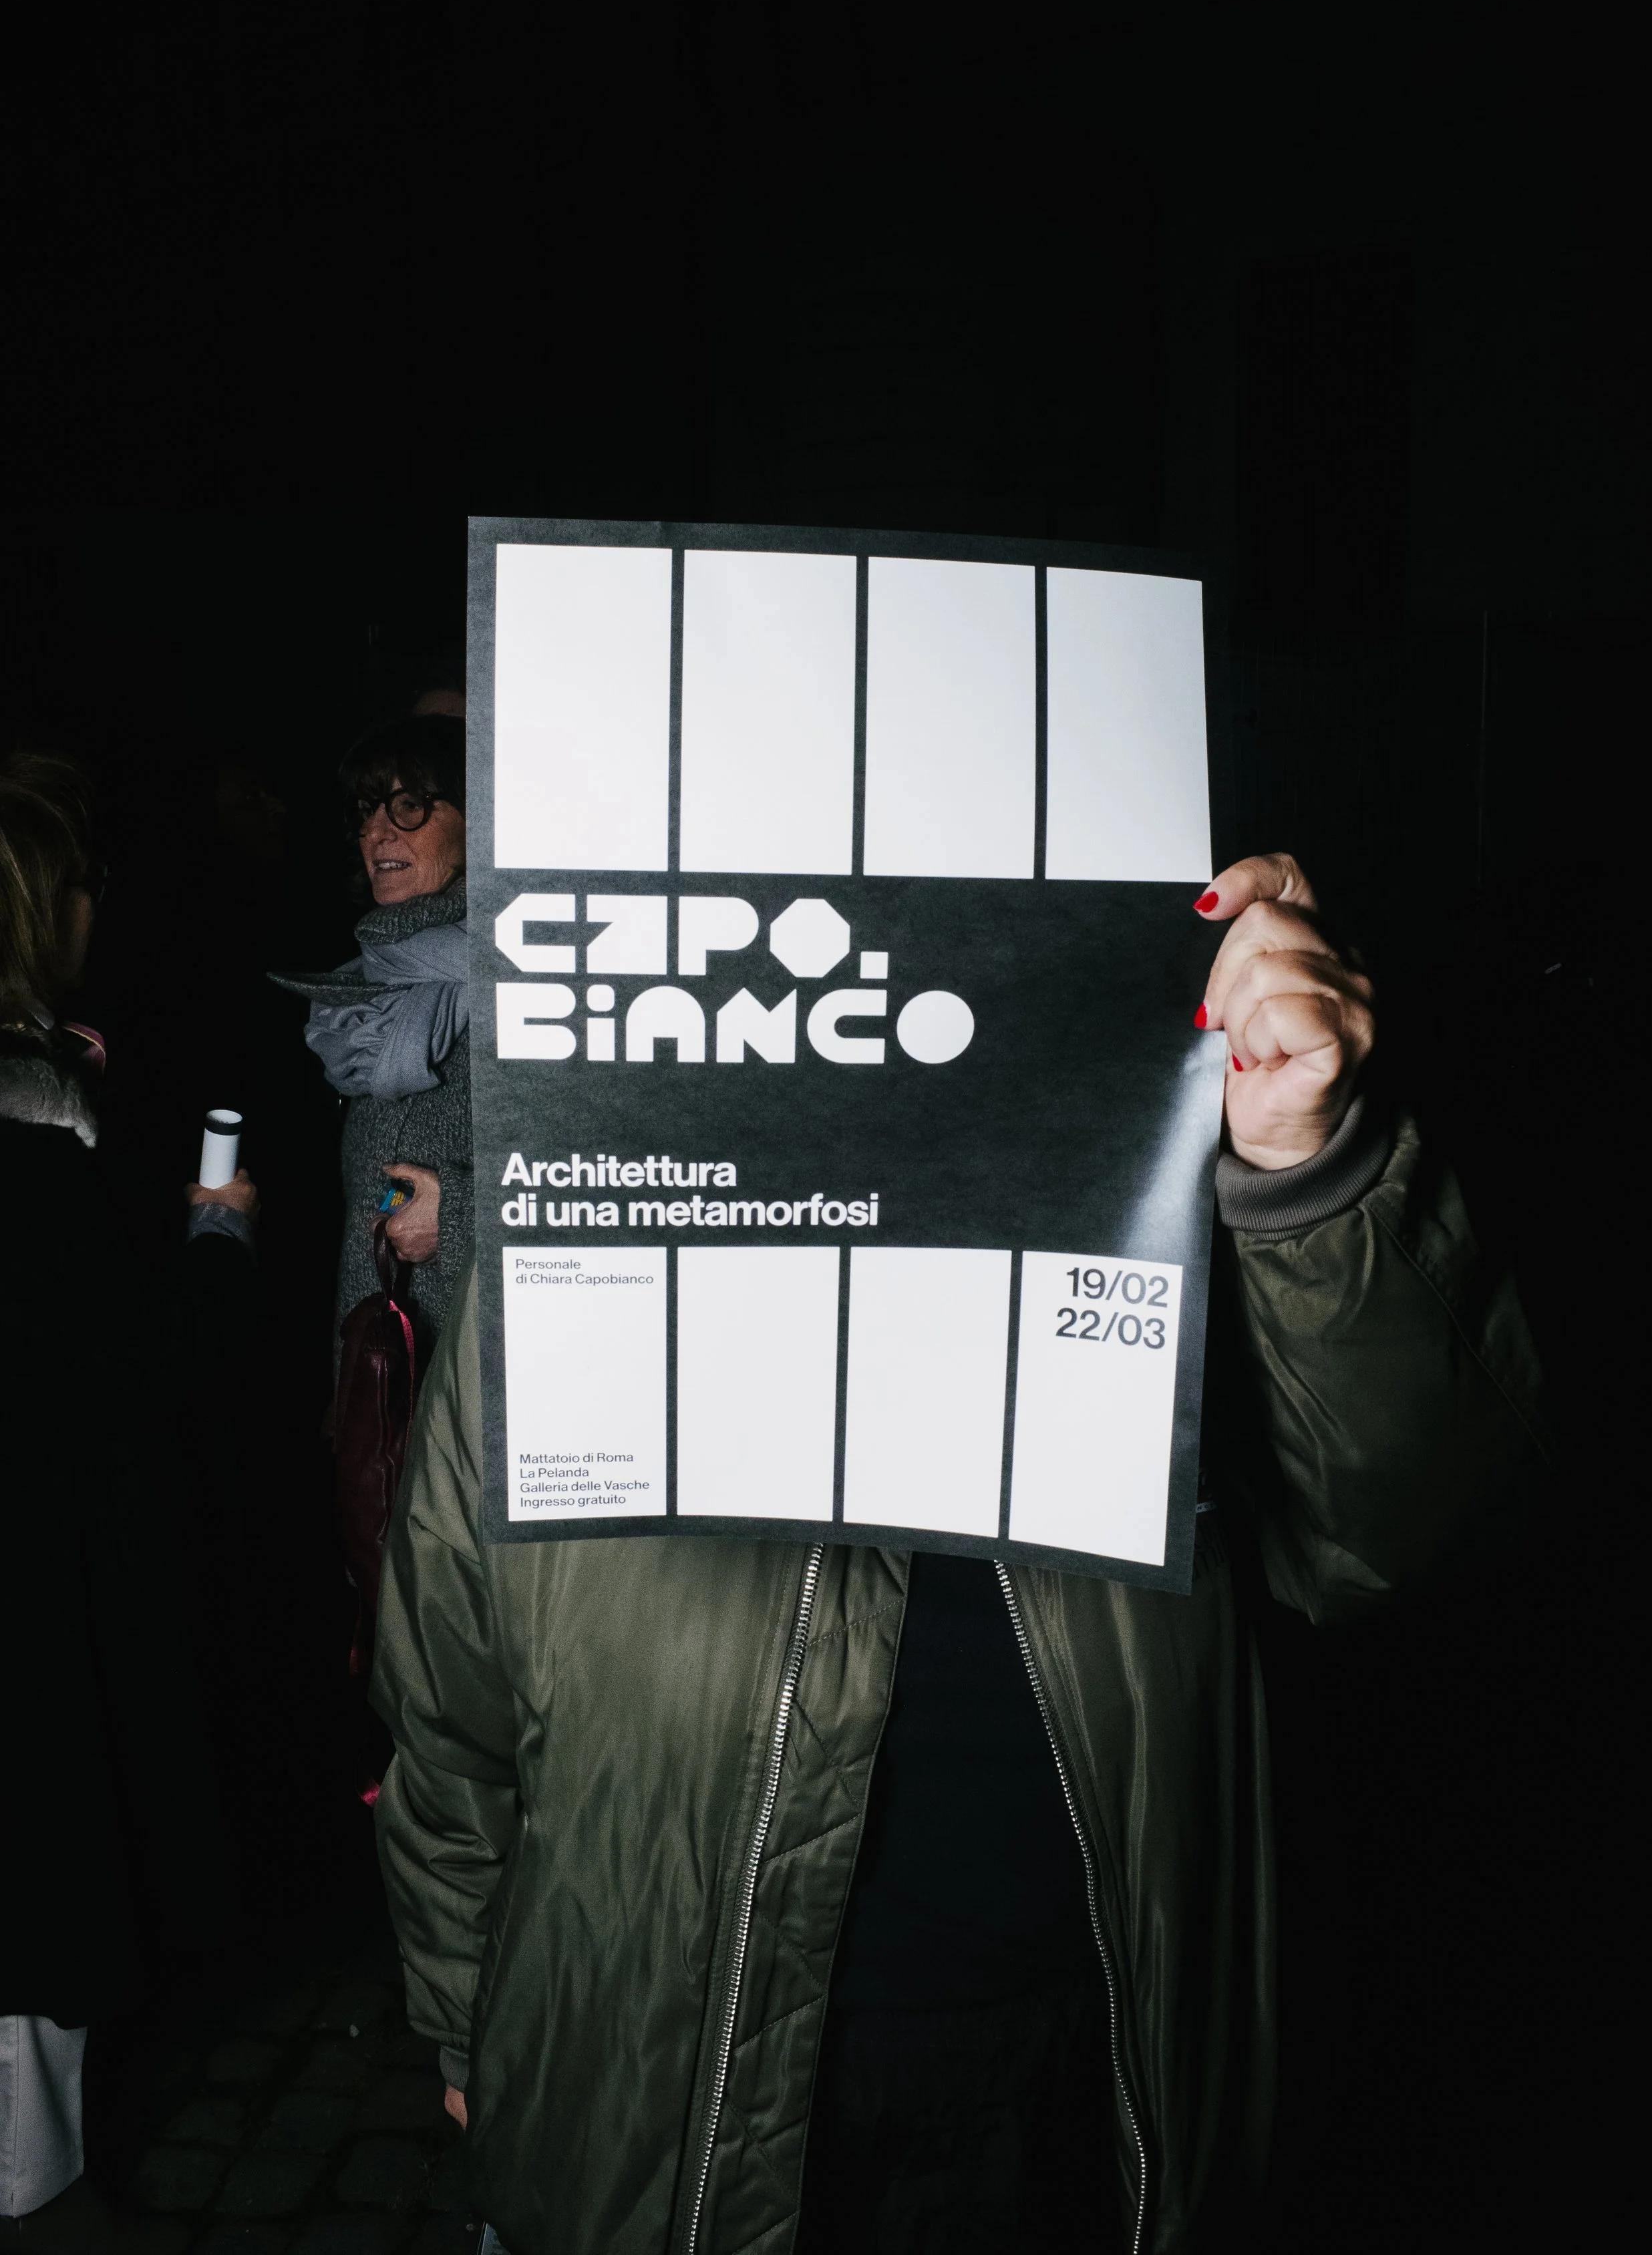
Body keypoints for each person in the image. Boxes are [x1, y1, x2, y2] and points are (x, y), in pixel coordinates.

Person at [369, 853, 1548, 2254]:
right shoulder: (584, 1197)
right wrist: (464, 2019)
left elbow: (1407, 1535)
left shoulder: (1171, 1130)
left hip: (1078, 2078)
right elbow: (449, 1694)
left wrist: (1309, 1164)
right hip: (650, 2064)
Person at [0, 750, 260, 2245]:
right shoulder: (27, 1151)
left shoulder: (43, 1102)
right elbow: (134, 1359)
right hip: (37, 1579)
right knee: (42, 1885)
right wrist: (218, 1243)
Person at [271, 713, 472, 1367]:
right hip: (387, 1382)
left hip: (480, 1388)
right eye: (367, 809)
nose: (377, 830)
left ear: (480, 820)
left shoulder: (526, 978)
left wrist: (464, 1213)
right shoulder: (370, 985)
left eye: (409, 805)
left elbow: (620, 1171)